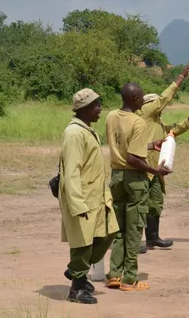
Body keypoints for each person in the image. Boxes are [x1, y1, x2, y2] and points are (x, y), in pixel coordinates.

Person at [104, 82, 172, 292]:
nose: (143, 101)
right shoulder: (138, 122)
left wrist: (151, 145)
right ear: (134, 100)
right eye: (141, 98)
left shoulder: (111, 116)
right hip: (135, 180)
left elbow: (123, 147)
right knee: (134, 229)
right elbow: (133, 158)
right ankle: (130, 278)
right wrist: (154, 171)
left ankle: (115, 274)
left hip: (116, 177)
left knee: (120, 228)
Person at [136, 62, 189, 252]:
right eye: (154, 104)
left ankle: (152, 238)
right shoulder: (143, 115)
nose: (158, 106)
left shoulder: (156, 121)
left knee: (155, 203)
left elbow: (172, 131)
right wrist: (182, 76)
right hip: (142, 166)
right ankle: (135, 242)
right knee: (140, 203)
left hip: (157, 169)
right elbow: (165, 97)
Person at [58, 88, 120, 304]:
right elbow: (72, 171)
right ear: (84, 109)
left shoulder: (86, 130)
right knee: (82, 243)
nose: (100, 109)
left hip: (97, 197)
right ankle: (77, 287)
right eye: (96, 105)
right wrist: (77, 204)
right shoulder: (75, 134)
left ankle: (76, 271)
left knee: (108, 233)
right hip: (83, 198)